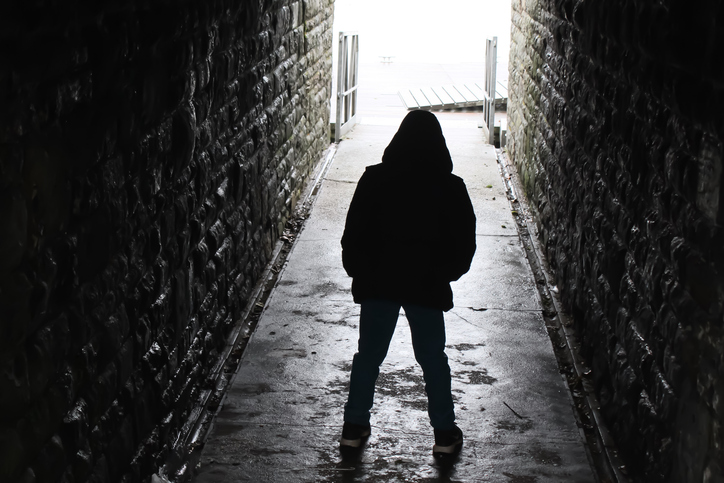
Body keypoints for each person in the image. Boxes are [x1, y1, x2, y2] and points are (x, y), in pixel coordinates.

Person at [339, 110, 477, 457]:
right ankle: (444, 434)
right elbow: (464, 242)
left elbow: (353, 233)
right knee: (433, 359)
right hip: (426, 284)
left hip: (378, 281)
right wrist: (446, 272)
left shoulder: (374, 179)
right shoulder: (451, 186)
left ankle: (354, 427)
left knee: (368, 356)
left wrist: (359, 271)